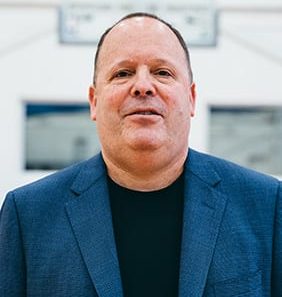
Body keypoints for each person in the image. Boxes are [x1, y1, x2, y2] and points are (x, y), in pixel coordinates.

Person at [0, 12, 281, 297]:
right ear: (94, 101)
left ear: (191, 98)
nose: (143, 86)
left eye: (163, 72)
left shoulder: (266, 206)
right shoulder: (28, 216)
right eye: (122, 73)